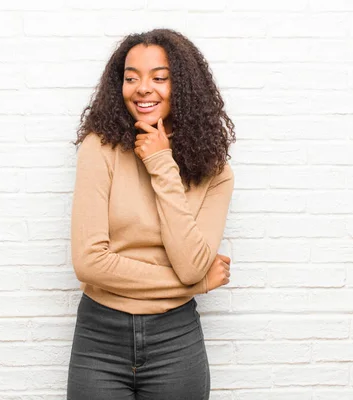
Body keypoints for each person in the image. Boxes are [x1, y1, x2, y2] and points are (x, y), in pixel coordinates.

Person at [67, 28, 236, 400]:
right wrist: (197, 286)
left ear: (185, 86)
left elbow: (190, 263)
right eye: (131, 78)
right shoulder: (100, 148)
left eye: (159, 77)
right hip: (100, 336)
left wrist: (161, 161)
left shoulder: (214, 170)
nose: (143, 88)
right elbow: (89, 262)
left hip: (175, 339)